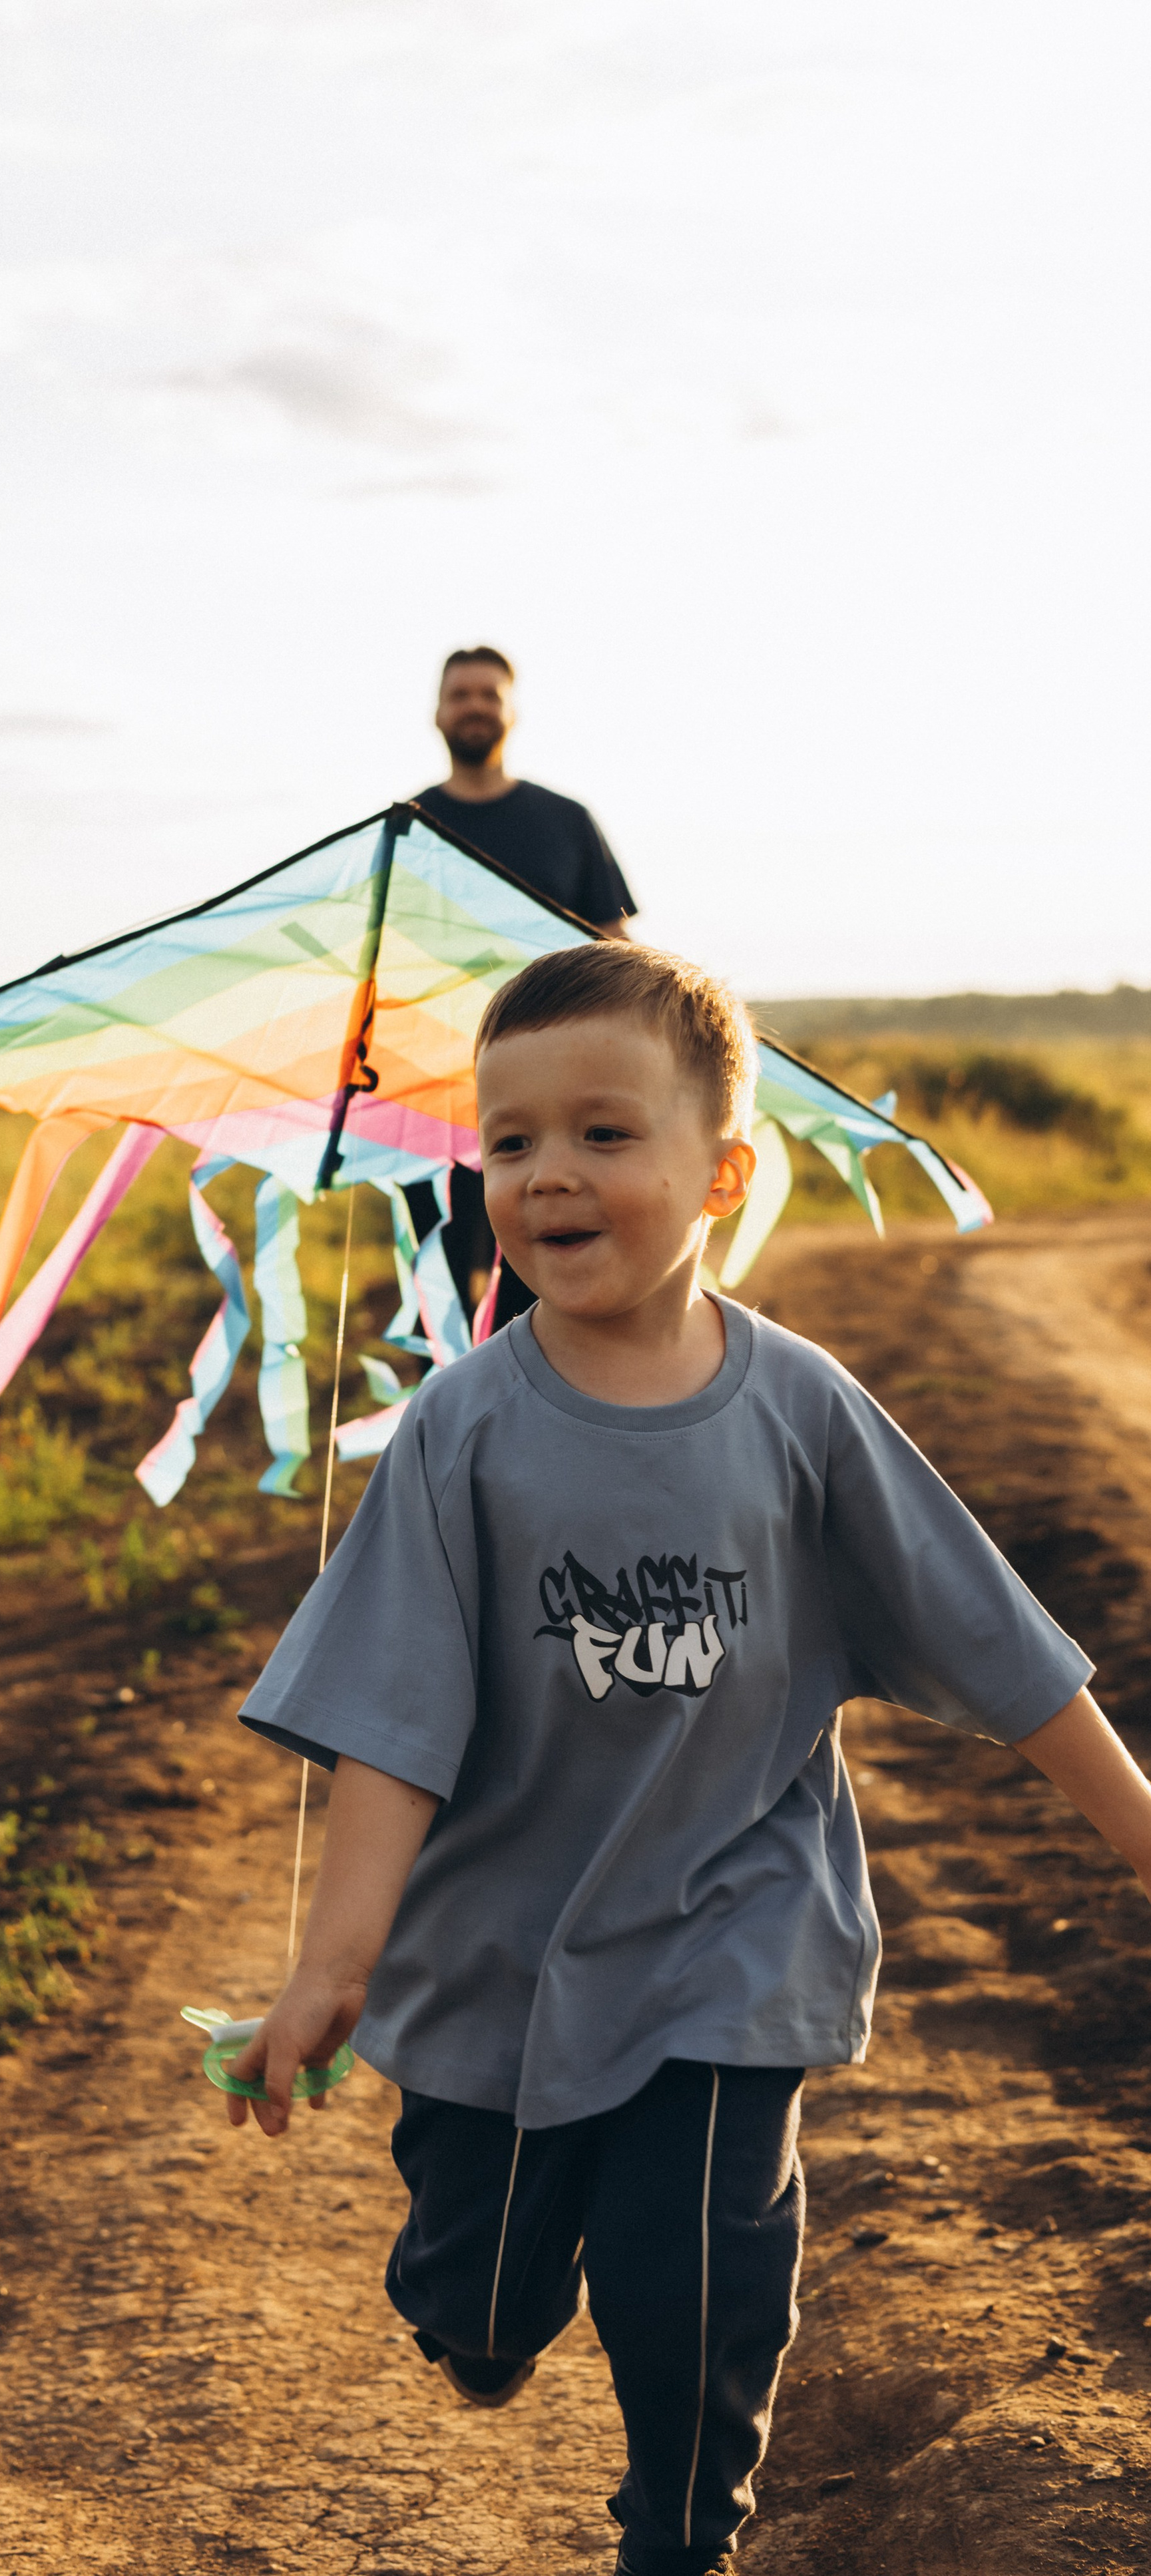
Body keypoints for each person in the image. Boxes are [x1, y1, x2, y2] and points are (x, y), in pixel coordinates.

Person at [224, 939, 1151, 2576]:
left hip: (732, 1928)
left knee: (697, 2260)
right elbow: (389, 1729)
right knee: (479, 2299)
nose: (546, 1175)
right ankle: (479, 2322)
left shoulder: (798, 1409)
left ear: (720, 1173)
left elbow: (992, 1638)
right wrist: (330, 1969)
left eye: (602, 1134)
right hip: (500, 1957)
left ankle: (680, 2529)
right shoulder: (461, 1431)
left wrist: (1138, 1830)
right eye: (509, 1142)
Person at [414, 645, 638, 1325]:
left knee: (541, 1274)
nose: (475, 706)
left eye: (489, 694)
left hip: (555, 1095)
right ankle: (445, 1389)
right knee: (440, 1278)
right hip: (431, 1090)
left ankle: (540, 1383)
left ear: (512, 711)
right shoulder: (409, 827)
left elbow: (616, 951)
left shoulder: (566, 821)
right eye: (461, 694)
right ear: (437, 713)